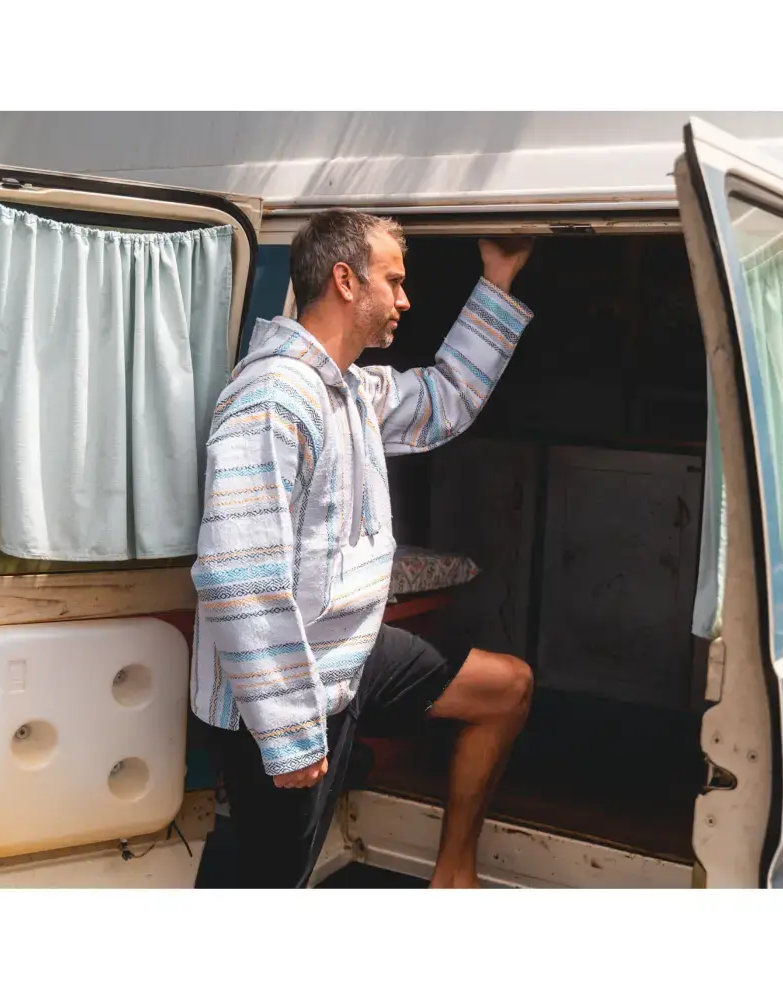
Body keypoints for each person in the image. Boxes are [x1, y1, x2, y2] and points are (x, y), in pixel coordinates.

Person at [190, 209, 535, 888]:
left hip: (347, 657)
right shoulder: (274, 398)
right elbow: (238, 577)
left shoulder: (347, 389)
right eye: (394, 281)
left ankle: (453, 879)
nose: (405, 299)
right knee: (273, 888)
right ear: (346, 281)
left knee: (506, 688)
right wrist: (288, 735)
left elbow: (444, 398)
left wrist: (497, 277)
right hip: (284, 691)